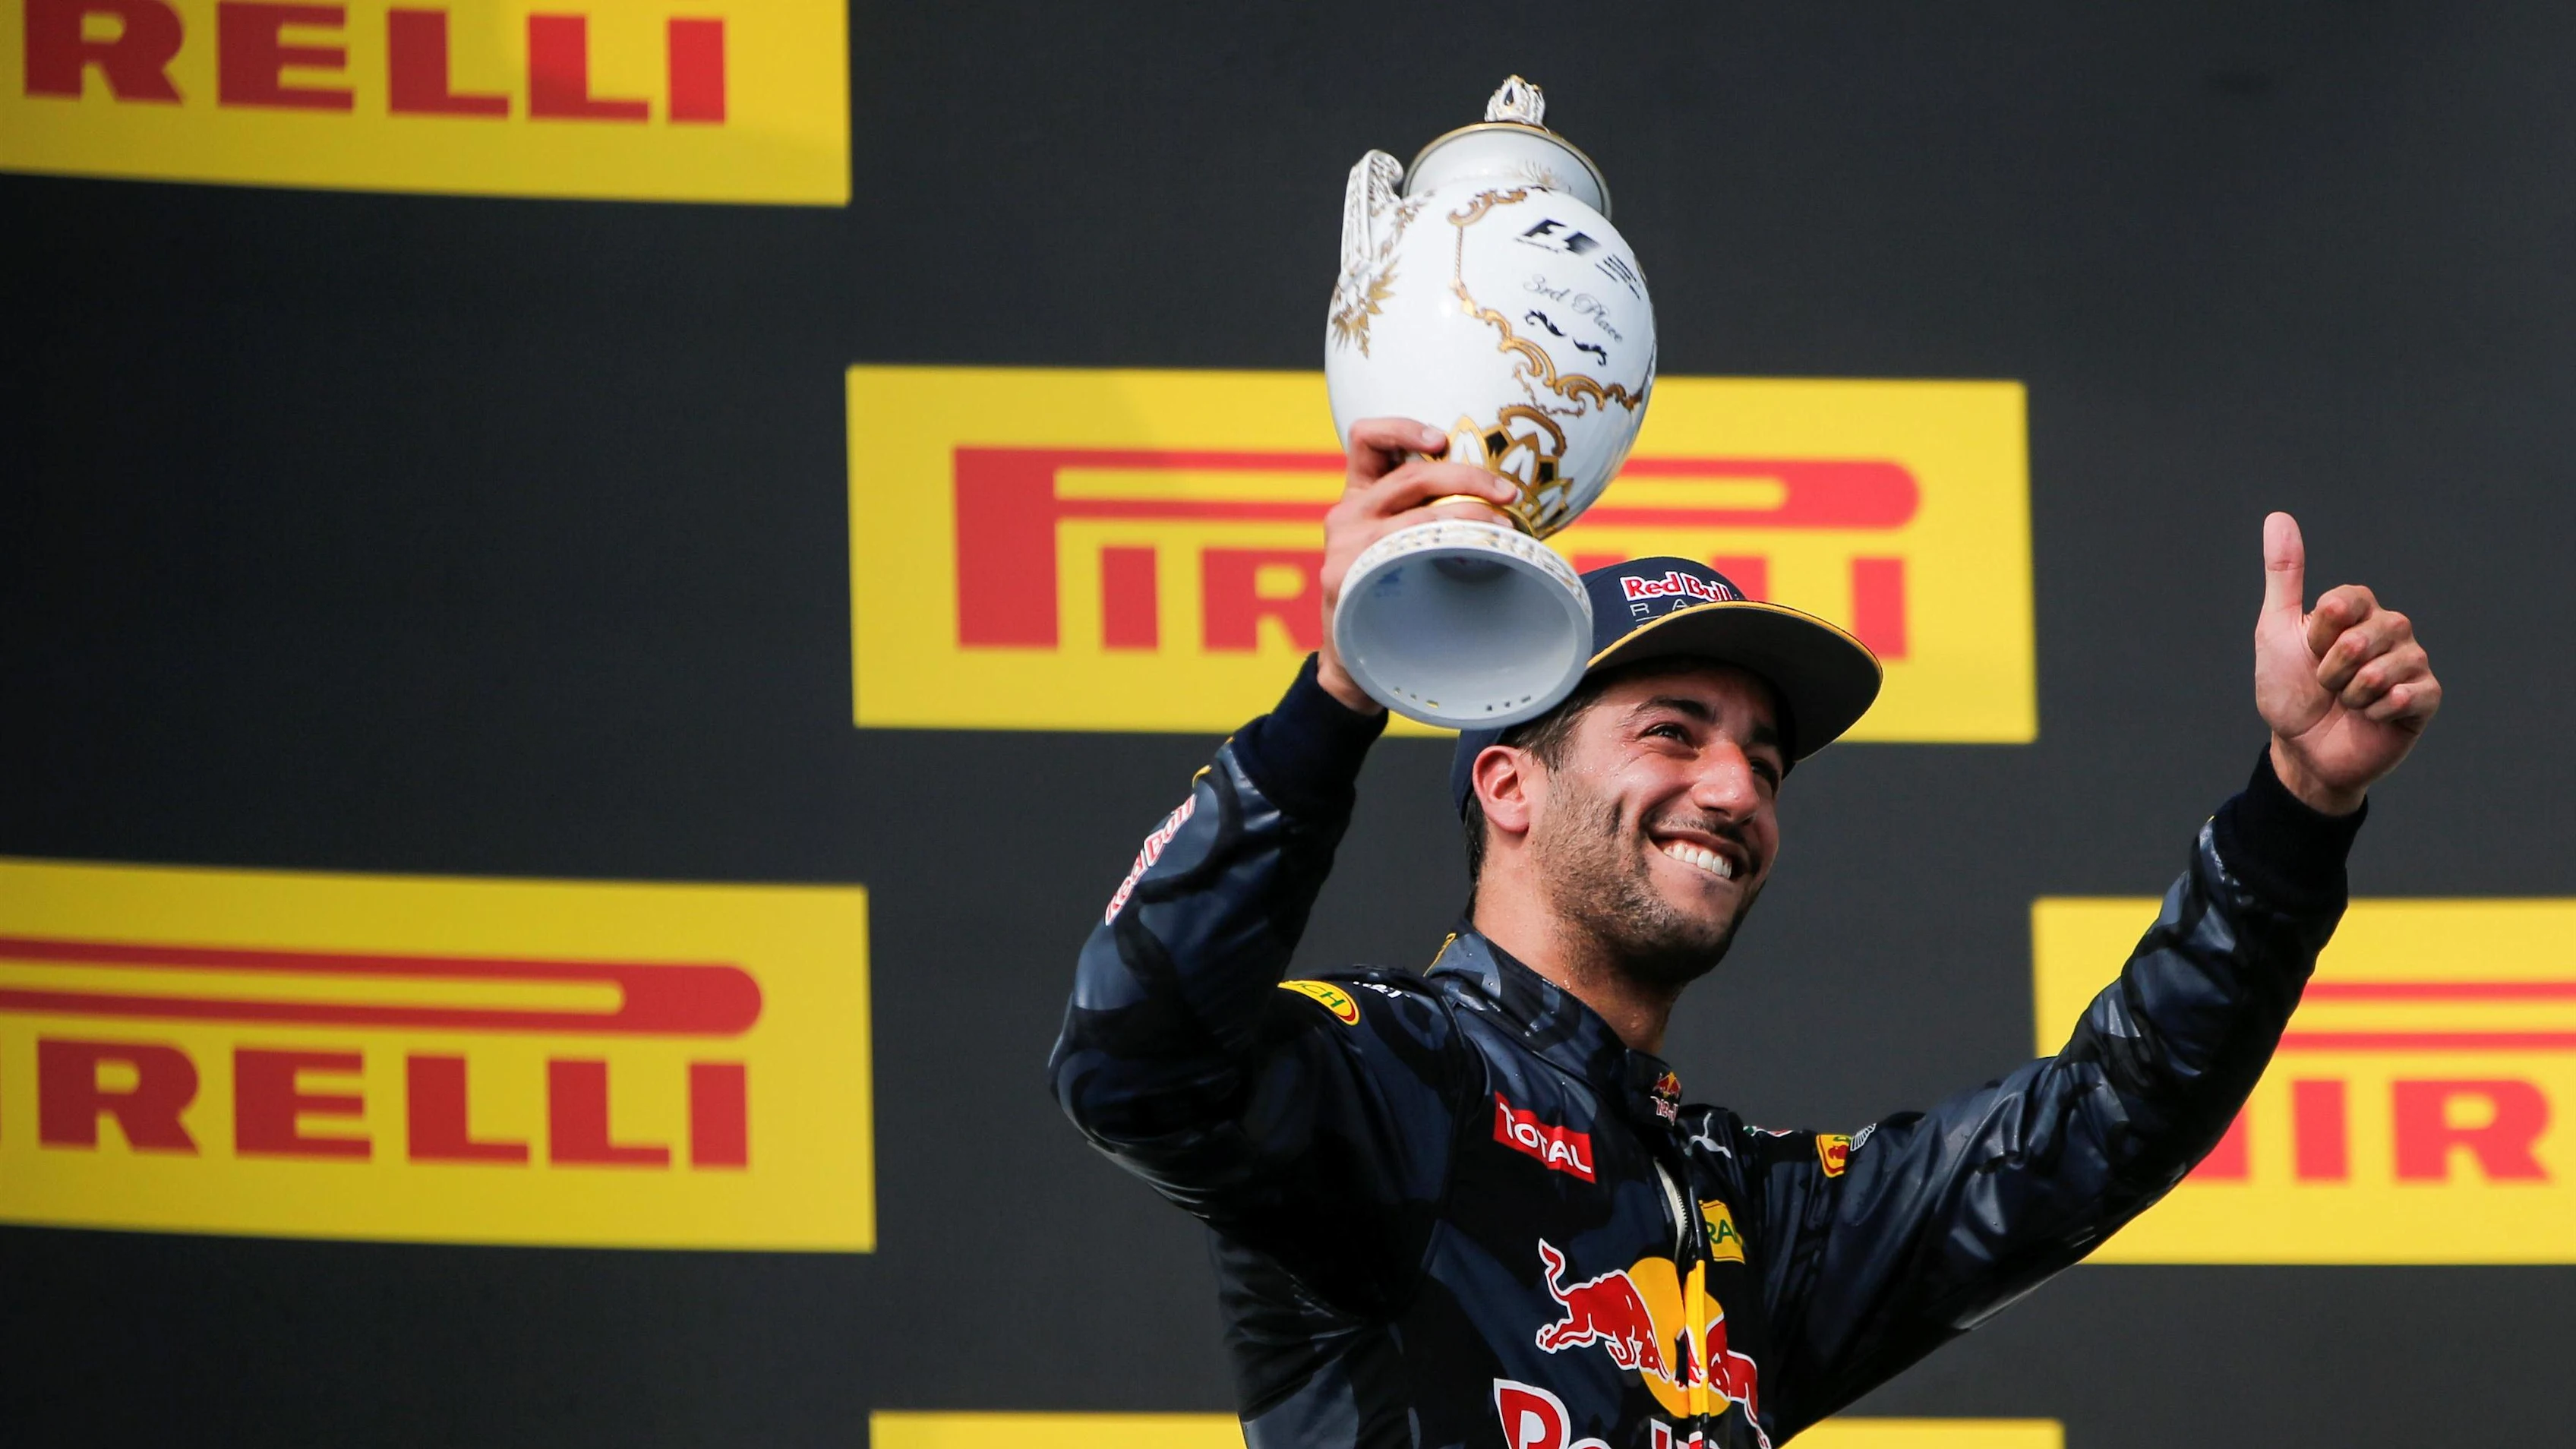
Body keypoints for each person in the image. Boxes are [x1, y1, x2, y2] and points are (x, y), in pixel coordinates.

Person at [1048, 418, 2440, 1449]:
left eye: (1765, 761)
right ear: (1506, 781)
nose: (1734, 786)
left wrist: (2299, 805)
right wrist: (1346, 686)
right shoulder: (1396, 1085)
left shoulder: (1746, 1214)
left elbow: (2105, 1124)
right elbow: (1133, 1060)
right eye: (1674, 732)